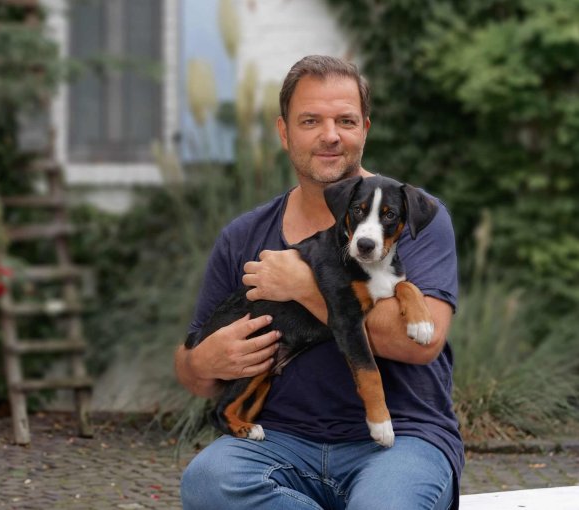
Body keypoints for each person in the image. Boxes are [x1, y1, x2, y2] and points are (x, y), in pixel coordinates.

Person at [174, 55, 463, 510]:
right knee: (207, 482)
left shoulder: (413, 215)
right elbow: (190, 361)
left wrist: (304, 285)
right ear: (284, 132)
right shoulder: (242, 236)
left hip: (401, 439)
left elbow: (420, 345)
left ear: (365, 128)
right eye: (310, 120)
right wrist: (202, 362)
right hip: (280, 443)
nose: (330, 135)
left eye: (345, 120)